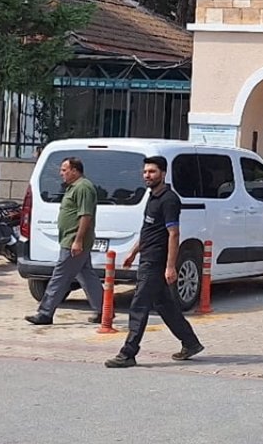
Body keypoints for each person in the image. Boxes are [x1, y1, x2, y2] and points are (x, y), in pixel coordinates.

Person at [104, 156, 203, 368]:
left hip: (155, 262)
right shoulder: (152, 196)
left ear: (163, 174)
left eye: (152, 172)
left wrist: (170, 266)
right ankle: (191, 343)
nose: (147, 175)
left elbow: (173, 234)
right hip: (146, 257)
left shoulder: (169, 200)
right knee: (165, 306)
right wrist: (133, 252)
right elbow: (149, 230)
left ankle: (128, 352)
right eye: (145, 172)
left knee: (139, 305)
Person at [25, 157, 104, 325]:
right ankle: (104, 311)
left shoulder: (83, 187)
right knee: (87, 276)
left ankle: (45, 312)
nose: (61, 173)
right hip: (71, 239)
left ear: (75, 170)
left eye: (64, 170)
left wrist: (78, 240)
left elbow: (85, 215)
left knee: (59, 277)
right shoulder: (74, 187)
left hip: (74, 241)